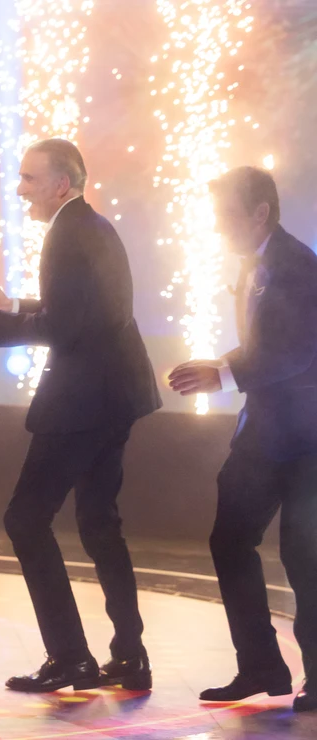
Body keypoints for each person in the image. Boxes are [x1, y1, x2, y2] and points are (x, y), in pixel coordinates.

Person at [0, 138, 161, 692]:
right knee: (98, 523)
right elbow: (80, 310)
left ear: (61, 184)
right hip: (114, 399)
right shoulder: (92, 226)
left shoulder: (67, 235)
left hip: (83, 403)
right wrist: (10, 304)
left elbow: (66, 327)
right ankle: (129, 655)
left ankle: (71, 657)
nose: (20, 191)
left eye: (28, 179)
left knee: (25, 519)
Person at [169, 166, 317, 712]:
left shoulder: (296, 264)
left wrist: (222, 374)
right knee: (230, 539)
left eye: (224, 214)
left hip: (308, 437)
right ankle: (260, 665)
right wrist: (224, 369)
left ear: (260, 213)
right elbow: (266, 345)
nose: (216, 226)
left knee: (305, 555)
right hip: (266, 430)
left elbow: (296, 352)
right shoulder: (256, 264)